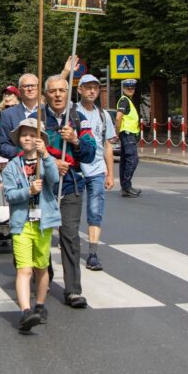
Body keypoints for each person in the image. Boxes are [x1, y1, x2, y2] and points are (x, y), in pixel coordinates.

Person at [41, 75, 95, 308]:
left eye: (62, 90)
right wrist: (51, 161)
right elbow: (26, 150)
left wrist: (74, 140)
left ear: (68, 93)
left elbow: (90, 154)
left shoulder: (78, 119)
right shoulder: (37, 120)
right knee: (42, 237)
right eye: (52, 91)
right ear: (46, 95)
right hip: (42, 188)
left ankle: (73, 290)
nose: (58, 95)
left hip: (71, 185)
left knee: (70, 237)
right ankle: (44, 278)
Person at [2, 118, 59, 332]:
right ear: (19, 139)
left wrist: (45, 155)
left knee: (41, 267)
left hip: (43, 222)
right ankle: (26, 310)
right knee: (24, 269)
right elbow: (9, 195)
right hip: (21, 223)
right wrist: (28, 191)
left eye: (33, 135)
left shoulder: (46, 161)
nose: (29, 138)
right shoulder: (11, 167)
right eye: (25, 134)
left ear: (41, 139)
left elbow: (53, 179)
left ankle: (41, 303)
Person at [75, 74, 115, 271]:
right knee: (71, 209)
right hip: (75, 169)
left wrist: (110, 173)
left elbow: (107, 145)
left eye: (95, 88)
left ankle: (92, 253)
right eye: (88, 87)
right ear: (79, 90)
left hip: (97, 169)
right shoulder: (72, 112)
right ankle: (68, 243)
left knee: (94, 210)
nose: (92, 91)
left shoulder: (103, 115)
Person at [0, 73, 43, 159]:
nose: (30, 89)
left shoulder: (47, 112)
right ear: (19, 90)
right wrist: (22, 152)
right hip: (19, 167)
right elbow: (2, 146)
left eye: (33, 86)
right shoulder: (8, 114)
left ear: (38, 88)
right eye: (26, 86)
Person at [115, 78, 141, 197]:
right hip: (127, 134)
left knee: (125, 160)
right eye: (128, 88)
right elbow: (118, 118)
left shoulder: (127, 101)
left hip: (128, 134)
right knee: (132, 160)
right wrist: (116, 133)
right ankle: (126, 186)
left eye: (132, 88)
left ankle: (125, 187)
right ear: (124, 89)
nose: (130, 90)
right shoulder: (124, 101)